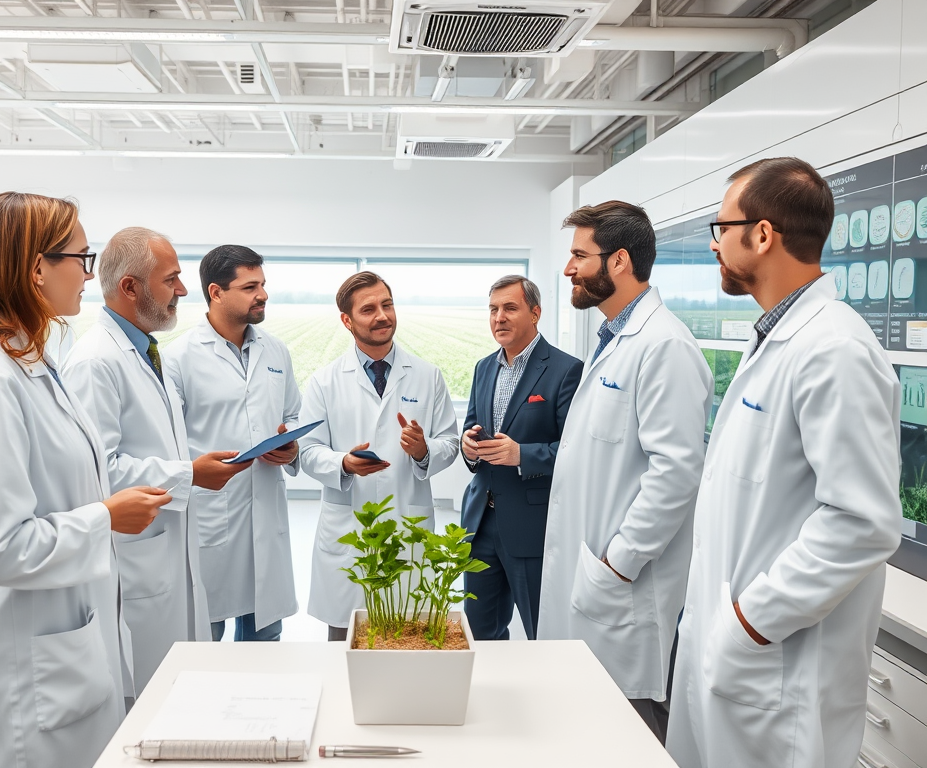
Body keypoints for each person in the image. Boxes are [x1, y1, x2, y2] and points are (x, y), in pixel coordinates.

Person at [0, 193, 169, 768]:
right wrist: (107, 516)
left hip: (63, 651)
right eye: (80, 257)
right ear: (34, 269)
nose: (88, 272)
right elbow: (5, 549)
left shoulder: (30, 364)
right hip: (23, 678)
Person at [665, 157, 902, 768]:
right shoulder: (778, 337)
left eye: (722, 226)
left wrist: (750, 620)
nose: (715, 243)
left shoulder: (835, 350)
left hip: (776, 662)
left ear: (763, 234)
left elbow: (862, 522)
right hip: (737, 652)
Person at [537, 201, 713, 744]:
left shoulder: (665, 347)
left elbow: (676, 474)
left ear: (617, 262)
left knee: (630, 735)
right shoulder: (614, 339)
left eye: (578, 256)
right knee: (590, 727)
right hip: (590, 575)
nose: (568, 268)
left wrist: (618, 564)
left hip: (621, 587)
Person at [63, 227, 249, 693]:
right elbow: (96, 468)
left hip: (166, 547)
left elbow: (152, 444)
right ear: (130, 287)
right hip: (134, 558)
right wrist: (189, 474)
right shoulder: (96, 360)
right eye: (172, 280)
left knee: (177, 689)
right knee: (143, 698)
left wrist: (194, 464)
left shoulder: (145, 350)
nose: (183, 290)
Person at [299, 271, 460, 640]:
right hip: (348, 524)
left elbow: (449, 443)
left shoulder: (427, 375)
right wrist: (343, 463)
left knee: (408, 635)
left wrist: (424, 450)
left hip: (408, 524)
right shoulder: (324, 381)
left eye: (386, 305)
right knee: (343, 639)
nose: (382, 316)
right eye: (369, 309)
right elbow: (308, 452)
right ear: (347, 320)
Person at [165, 245, 301, 642]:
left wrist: (289, 448)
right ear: (216, 292)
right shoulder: (179, 358)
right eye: (250, 286)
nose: (263, 295)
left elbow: (291, 414)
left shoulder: (275, 351)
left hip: (265, 505)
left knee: (265, 636)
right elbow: (170, 439)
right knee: (206, 636)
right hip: (212, 515)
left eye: (263, 284)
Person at [460, 275, 582, 641]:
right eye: (493, 309)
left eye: (510, 308)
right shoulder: (484, 368)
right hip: (481, 523)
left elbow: (577, 453)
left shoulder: (565, 370)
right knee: (479, 631)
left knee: (540, 631)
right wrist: (468, 446)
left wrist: (521, 455)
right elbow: (472, 426)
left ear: (535, 313)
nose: (499, 317)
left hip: (533, 525)